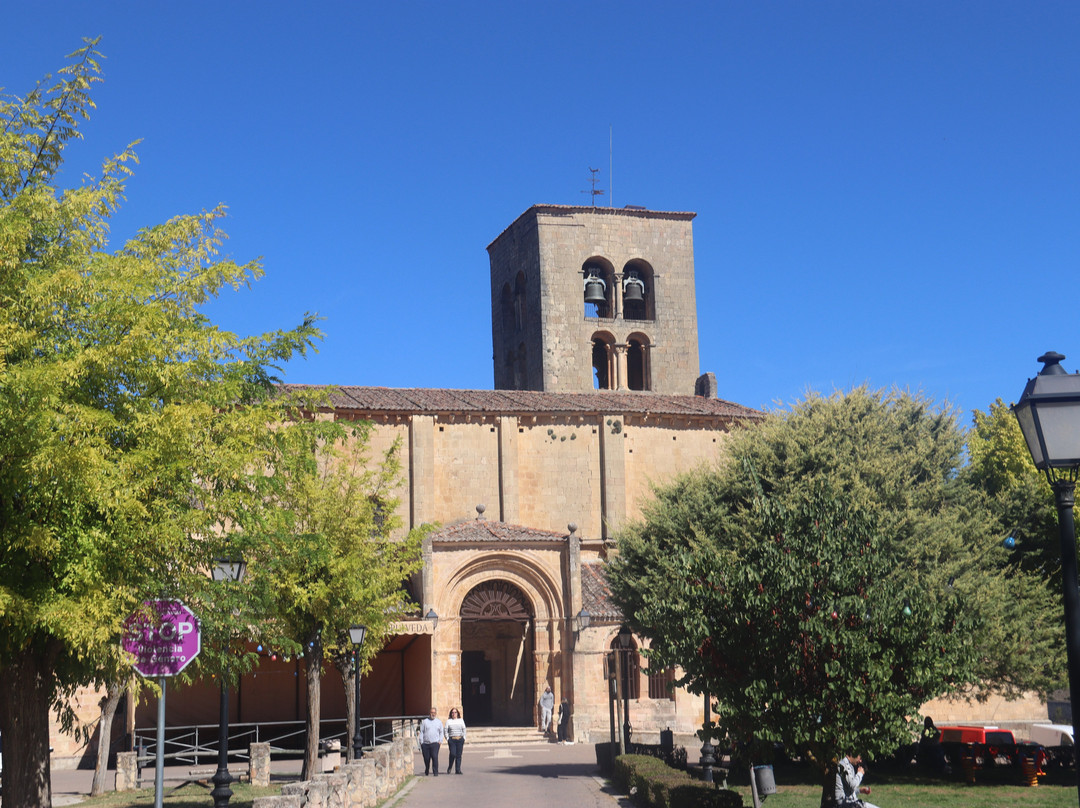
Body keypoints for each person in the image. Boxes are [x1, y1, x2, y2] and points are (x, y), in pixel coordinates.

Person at [417, 707, 444, 776]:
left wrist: (440, 741)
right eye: (432, 712)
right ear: (429, 713)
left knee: (435, 757)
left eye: (434, 713)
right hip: (425, 743)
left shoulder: (439, 722)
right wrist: (421, 742)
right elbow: (422, 732)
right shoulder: (425, 721)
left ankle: (435, 772)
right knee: (426, 758)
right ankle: (427, 768)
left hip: (435, 743)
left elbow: (441, 732)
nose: (433, 714)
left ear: (436, 713)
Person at [445, 707, 467, 774]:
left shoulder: (461, 720)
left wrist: (464, 738)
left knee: (459, 755)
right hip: (452, 739)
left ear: (457, 713)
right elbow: (445, 730)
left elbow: (464, 729)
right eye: (452, 712)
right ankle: (450, 766)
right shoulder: (449, 721)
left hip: (460, 739)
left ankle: (458, 770)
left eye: (455, 712)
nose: (454, 714)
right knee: (452, 753)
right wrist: (448, 738)